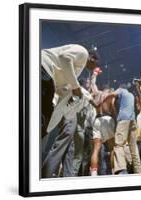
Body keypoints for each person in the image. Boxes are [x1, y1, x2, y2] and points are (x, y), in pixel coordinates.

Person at [41, 44, 99, 178]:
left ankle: (46, 172)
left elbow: (61, 87)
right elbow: (64, 57)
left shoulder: (77, 70)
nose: (95, 67)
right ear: (92, 58)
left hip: (49, 80)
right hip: (44, 68)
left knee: (45, 123)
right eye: (96, 63)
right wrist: (75, 86)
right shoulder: (83, 52)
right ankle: (48, 172)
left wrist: (71, 93)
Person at [111, 84, 141, 174]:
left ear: (121, 87)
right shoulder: (131, 95)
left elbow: (112, 95)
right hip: (133, 120)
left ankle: (122, 170)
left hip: (123, 119)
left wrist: (106, 94)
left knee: (119, 144)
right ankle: (138, 171)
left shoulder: (121, 90)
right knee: (133, 147)